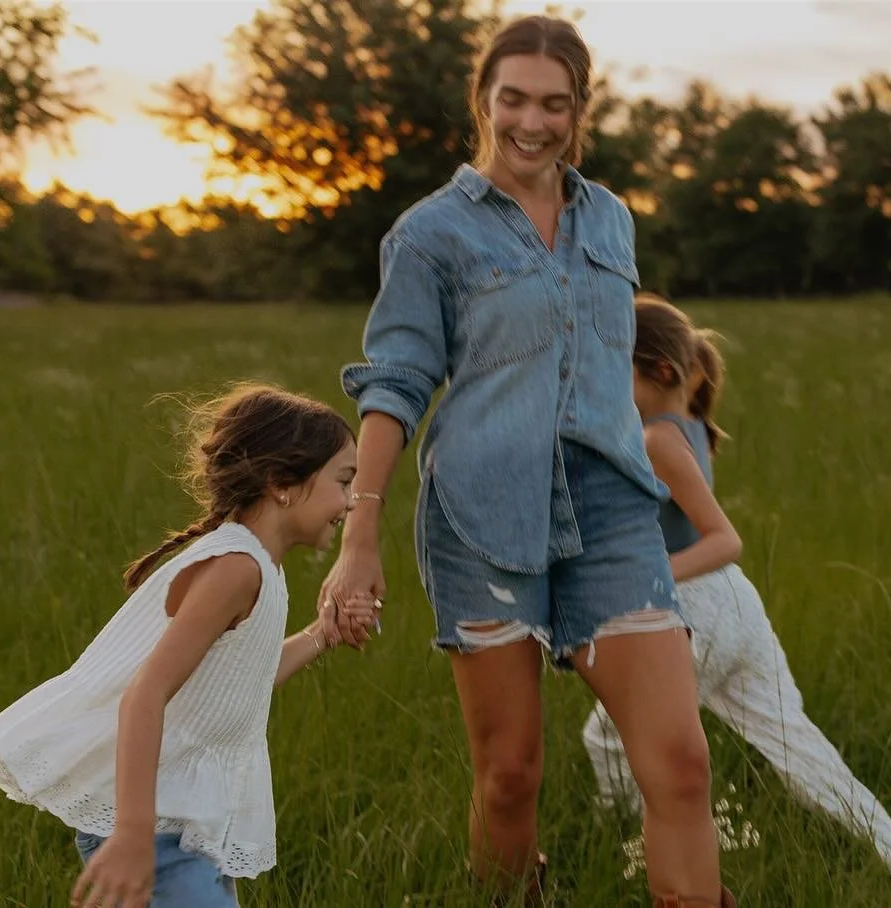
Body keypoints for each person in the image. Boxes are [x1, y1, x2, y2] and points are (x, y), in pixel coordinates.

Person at [319, 14, 731, 908]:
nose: (532, 122)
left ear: (580, 109)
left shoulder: (612, 219)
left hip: (612, 515)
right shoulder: (431, 235)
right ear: (484, 100)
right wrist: (361, 535)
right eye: (514, 99)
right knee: (510, 776)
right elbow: (395, 384)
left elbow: (606, 365)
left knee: (682, 764)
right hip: (482, 512)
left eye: (553, 103)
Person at [581, 295, 891, 908]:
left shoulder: (655, 438)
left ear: (660, 372)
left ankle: (636, 854)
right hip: (738, 609)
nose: (603, 383)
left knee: (610, 738)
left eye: (613, 370)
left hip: (691, 610)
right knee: (805, 757)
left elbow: (724, 540)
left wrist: (642, 579)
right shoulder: (694, 428)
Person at [0, 383, 378, 908]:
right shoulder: (235, 567)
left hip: (188, 820)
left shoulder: (257, 567)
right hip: (156, 828)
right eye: (344, 481)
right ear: (282, 483)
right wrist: (132, 834)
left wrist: (323, 632)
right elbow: (145, 694)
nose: (351, 501)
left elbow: (247, 678)